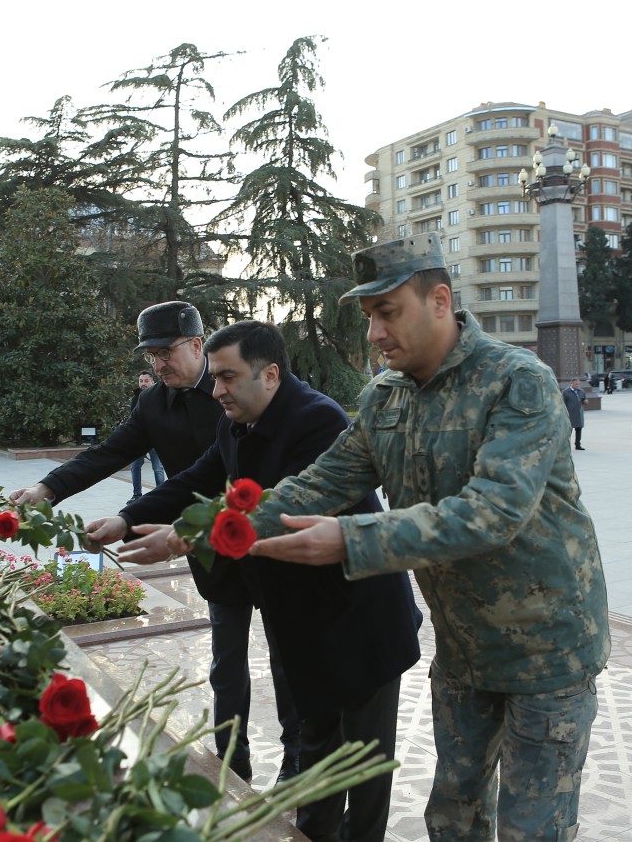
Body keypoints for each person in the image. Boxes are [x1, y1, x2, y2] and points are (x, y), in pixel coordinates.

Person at [238, 232, 611, 842]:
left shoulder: (518, 382)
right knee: (452, 816)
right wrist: (203, 530)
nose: (375, 333)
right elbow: (318, 483)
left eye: (388, 313)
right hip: (464, 650)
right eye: (368, 317)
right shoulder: (384, 397)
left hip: (549, 653)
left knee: (531, 829)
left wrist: (352, 540)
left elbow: (494, 511)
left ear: (439, 301)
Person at [91, 321, 422, 841]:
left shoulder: (316, 420)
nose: (216, 390)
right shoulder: (235, 421)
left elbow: (281, 506)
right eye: (215, 378)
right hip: (301, 621)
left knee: (365, 768)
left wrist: (183, 538)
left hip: (360, 621)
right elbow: (196, 479)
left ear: (270, 375)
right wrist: (127, 517)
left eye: (227, 377)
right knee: (315, 764)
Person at [7, 301, 298, 783]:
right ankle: (233, 763)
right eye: (150, 355)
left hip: (268, 543)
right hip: (209, 551)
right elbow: (110, 453)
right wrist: (48, 488)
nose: (159, 364)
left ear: (196, 345)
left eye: (167, 352)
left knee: (289, 659)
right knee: (227, 665)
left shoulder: (240, 389)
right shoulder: (152, 402)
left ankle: (296, 762)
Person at [128, 370, 166, 500]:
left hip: (155, 440)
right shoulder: (135, 397)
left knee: (158, 468)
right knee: (135, 467)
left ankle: (160, 495)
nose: (143, 383)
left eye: (146, 381)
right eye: (141, 381)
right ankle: (136, 495)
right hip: (138, 440)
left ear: (153, 382)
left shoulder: (159, 397)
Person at [563, 378, 586, 451]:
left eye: (578, 384)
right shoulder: (566, 392)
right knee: (569, 430)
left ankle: (578, 444)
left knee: (579, 429)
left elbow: (583, 399)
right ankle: (566, 445)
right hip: (570, 414)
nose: (577, 385)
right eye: (576, 384)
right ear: (572, 384)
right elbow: (563, 403)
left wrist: (585, 401)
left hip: (579, 413)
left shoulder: (581, 391)